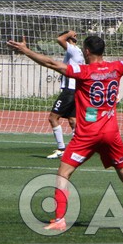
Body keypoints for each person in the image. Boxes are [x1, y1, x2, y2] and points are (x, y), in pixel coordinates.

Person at [7, 28, 123, 232]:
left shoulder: (83, 72)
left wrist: (26, 51)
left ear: (86, 51)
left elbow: (50, 63)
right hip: (111, 134)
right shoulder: (117, 67)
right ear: (103, 51)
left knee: (63, 173)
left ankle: (60, 219)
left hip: (87, 134)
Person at [46, 30, 85, 160]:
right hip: (76, 90)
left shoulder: (73, 49)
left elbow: (59, 39)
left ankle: (61, 148)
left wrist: (69, 33)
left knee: (53, 118)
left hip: (69, 90)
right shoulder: (79, 51)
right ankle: (79, 148)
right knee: (73, 120)